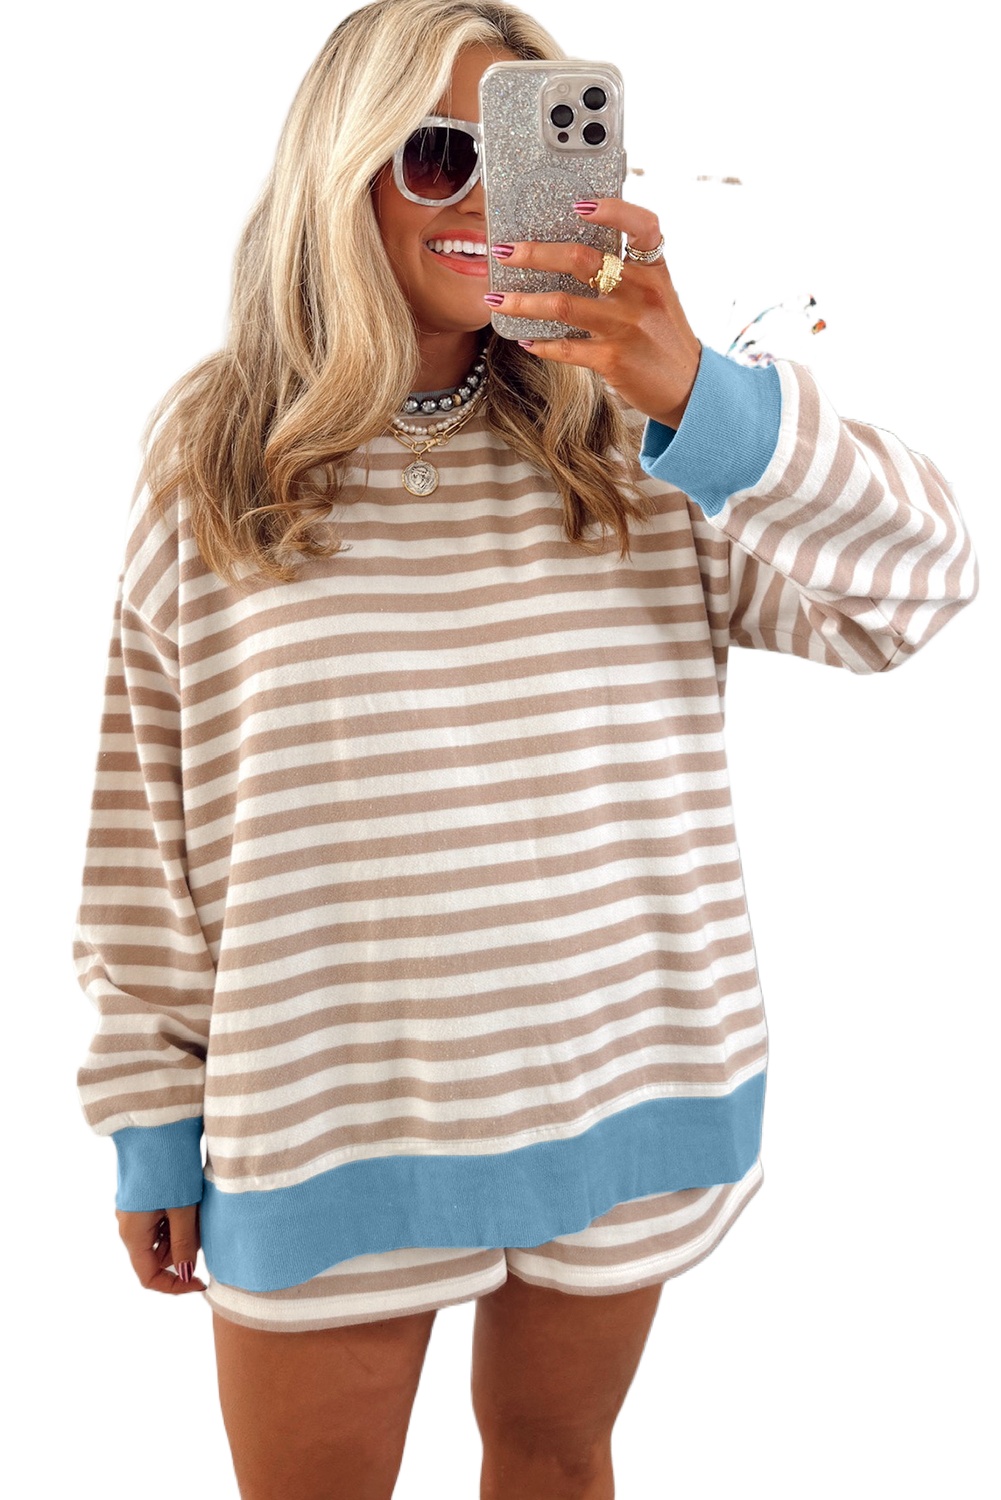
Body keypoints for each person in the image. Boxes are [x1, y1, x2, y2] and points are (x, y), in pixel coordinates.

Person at [70, 2, 979, 1497]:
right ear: (343, 170)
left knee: (557, 1464)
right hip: (331, 1107)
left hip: (625, 1075)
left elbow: (918, 592)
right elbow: (148, 820)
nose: (488, 195)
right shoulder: (221, 463)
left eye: (529, 149)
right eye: (441, 153)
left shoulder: (643, 445)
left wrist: (698, 391)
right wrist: (149, 1112)